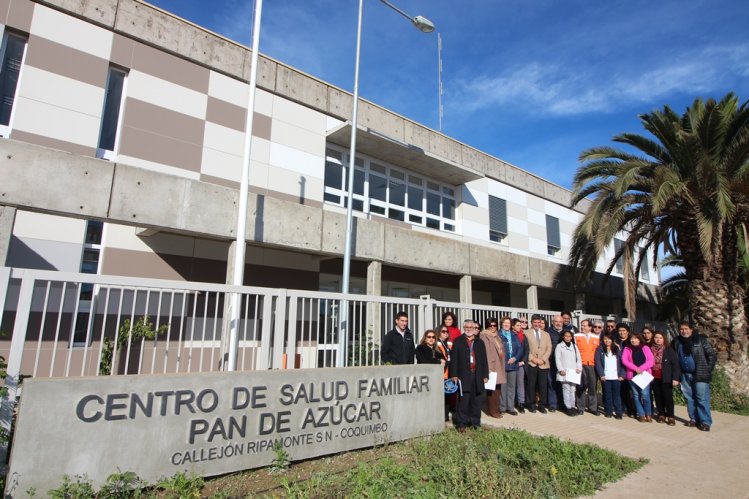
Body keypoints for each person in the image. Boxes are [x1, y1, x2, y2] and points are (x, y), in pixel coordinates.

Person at [673, 321, 717, 431]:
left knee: (701, 399)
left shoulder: (700, 340)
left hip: (700, 374)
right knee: (689, 398)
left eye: (686, 329)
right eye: (682, 329)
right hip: (685, 375)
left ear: (691, 329)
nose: (684, 331)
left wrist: (707, 370)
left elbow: (711, 355)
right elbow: (674, 358)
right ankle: (693, 419)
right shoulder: (677, 341)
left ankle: (705, 422)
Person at [449, 320, 489, 431]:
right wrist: (454, 375)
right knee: (464, 400)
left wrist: (485, 375)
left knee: (476, 400)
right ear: (463, 327)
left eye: (471, 327)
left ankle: (475, 423)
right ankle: (462, 424)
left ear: (475, 328)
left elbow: (484, 360)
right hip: (463, 375)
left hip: (477, 375)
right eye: (466, 327)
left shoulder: (480, 342)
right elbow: (454, 360)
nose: (469, 329)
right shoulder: (458, 341)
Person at [621, 332, 655, 422]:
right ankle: (641, 414)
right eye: (632, 338)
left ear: (639, 339)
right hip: (632, 375)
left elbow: (651, 361)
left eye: (636, 338)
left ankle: (648, 414)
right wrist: (635, 368)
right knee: (636, 395)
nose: (633, 340)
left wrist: (641, 368)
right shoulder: (627, 349)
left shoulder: (645, 348)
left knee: (645, 395)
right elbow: (624, 360)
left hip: (644, 375)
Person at [650, 330, 680, 425]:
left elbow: (675, 364)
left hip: (665, 377)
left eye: (660, 338)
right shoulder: (649, 349)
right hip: (654, 377)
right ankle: (661, 414)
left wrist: (675, 378)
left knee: (667, 397)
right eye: (656, 337)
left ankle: (670, 416)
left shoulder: (668, 350)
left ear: (664, 339)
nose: (658, 340)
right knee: (658, 397)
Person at [524, 314, 552, 413]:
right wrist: (532, 358)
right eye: (535, 322)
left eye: (538, 322)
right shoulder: (526, 333)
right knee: (531, 385)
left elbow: (549, 348)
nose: (537, 324)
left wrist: (543, 359)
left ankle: (542, 405)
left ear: (541, 323)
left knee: (543, 385)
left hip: (543, 364)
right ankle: (531, 404)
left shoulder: (546, 334)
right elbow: (525, 348)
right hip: (532, 363)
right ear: (531, 323)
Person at [479, 318, 506, 418]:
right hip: (492, 366)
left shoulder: (496, 336)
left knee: (497, 389)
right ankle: (493, 411)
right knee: (492, 390)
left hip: (499, 365)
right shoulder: (484, 336)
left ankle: (496, 409)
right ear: (487, 326)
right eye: (491, 325)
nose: (493, 327)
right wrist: (489, 368)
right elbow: (486, 352)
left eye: (495, 325)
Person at [595, 334, 625, 419]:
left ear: (612, 340)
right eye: (605, 339)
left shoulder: (617, 349)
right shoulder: (600, 349)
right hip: (606, 377)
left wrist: (622, 375)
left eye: (609, 339)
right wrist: (601, 374)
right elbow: (598, 363)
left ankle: (618, 412)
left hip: (616, 377)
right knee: (607, 395)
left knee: (617, 395)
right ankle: (608, 412)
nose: (607, 341)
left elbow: (622, 363)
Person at [574, 319, 600, 415]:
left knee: (592, 387)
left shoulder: (596, 338)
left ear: (590, 327)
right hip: (581, 365)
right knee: (580, 387)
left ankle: (593, 407)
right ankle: (580, 407)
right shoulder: (576, 336)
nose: (582, 327)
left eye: (585, 326)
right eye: (582, 325)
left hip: (592, 365)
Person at [555, 330, 583, 417]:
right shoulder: (559, 346)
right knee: (566, 389)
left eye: (569, 336)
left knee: (572, 389)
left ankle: (572, 405)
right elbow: (557, 359)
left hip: (573, 372)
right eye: (566, 336)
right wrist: (560, 369)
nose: (567, 338)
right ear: (563, 337)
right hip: (564, 372)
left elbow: (578, 358)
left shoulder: (574, 346)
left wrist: (579, 368)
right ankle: (568, 407)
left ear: (572, 337)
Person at [500, 317, 523, 416]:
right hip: (502, 364)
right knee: (502, 387)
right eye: (504, 323)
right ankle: (502, 407)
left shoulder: (514, 335)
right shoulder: (498, 335)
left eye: (508, 323)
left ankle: (510, 407)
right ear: (501, 324)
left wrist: (515, 358)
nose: (506, 325)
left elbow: (520, 349)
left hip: (513, 364)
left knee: (511, 387)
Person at [545, 315, 565, 412]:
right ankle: (552, 405)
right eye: (556, 322)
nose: (558, 323)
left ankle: (562, 404)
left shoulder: (566, 333)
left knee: (562, 383)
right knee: (552, 383)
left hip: (563, 363)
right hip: (551, 362)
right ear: (552, 322)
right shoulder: (548, 332)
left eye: (560, 322)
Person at [436, 326, 452, 421]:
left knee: (448, 395)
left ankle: (445, 415)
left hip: (449, 373)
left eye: (447, 331)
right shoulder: (436, 344)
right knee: (440, 396)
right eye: (443, 331)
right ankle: (439, 415)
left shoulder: (449, 343)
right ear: (439, 332)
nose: (446, 333)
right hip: (441, 374)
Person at [513, 317, 528, 413]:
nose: (520, 327)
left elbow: (527, 350)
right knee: (511, 385)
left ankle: (521, 403)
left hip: (521, 363)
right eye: (518, 325)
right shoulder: (510, 335)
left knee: (520, 384)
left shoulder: (523, 336)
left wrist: (523, 361)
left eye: (520, 325)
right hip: (511, 363)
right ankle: (511, 403)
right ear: (513, 326)